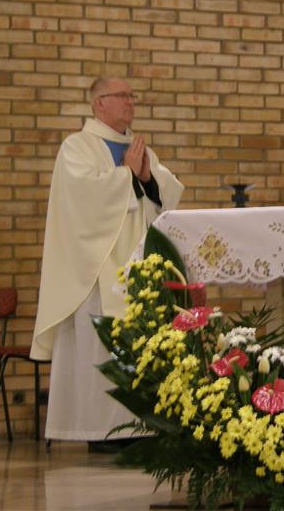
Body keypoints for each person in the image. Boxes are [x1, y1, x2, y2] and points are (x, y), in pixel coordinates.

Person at [30, 77, 184, 443]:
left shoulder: (139, 148)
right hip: (96, 269)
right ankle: (97, 431)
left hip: (138, 267)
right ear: (99, 103)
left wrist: (146, 177)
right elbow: (83, 198)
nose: (130, 102)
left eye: (132, 95)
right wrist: (127, 174)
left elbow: (165, 192)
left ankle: (142, 428)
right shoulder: (77, 147)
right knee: (96, 347)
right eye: (122, 96)